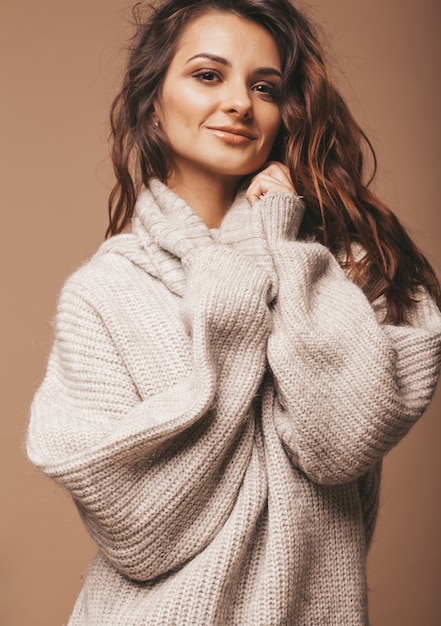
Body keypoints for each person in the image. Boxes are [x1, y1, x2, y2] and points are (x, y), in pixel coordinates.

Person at [27, 0, 441, 624]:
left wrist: (284, 248)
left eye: (265, 86)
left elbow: (340, 441)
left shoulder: (341, 272)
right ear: (152, 105)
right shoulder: (103, 292)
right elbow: (136, 527)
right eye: (207, 75)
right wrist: (236, 290)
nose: (241, 103)